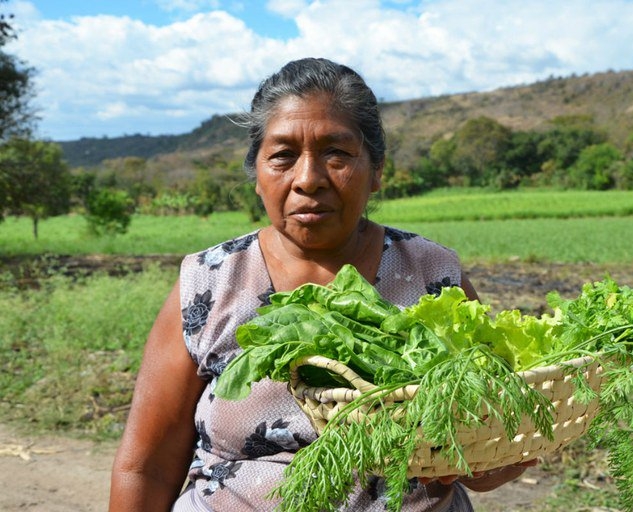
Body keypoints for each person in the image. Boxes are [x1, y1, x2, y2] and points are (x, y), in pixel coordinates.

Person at [109, 57, 535, 512]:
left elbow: (503, 445)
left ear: (376, 171)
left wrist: (485, 457)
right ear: (257, 173)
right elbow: (146, 467)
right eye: (282, 156)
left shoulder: (432, 275)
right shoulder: (210, 282)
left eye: (337, 154)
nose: (308, 179)